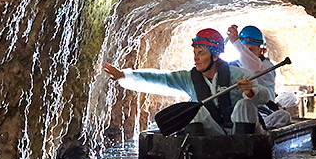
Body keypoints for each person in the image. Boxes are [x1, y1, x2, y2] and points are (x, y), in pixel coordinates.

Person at [103, 28, 269, 135]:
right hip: (214, 135)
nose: (196, 58)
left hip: (240, 133)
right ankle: (199, 154)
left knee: (244, 105)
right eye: (195, 53)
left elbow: (264, 96)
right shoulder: (189, 78)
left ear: (215, 56)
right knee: (194, 109)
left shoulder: (237, 74)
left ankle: (242, 155)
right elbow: (161, 79)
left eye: (201, 53)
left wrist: (249, 92)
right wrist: (125, 76)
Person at [227, 24, 292, 128]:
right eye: (245, 50)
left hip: (265, 112)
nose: (248, 53)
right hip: (240, 112)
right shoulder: (233, 65)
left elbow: (253, 68)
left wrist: (236, 42)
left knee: (284, 116)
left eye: (251, 50)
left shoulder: (266, 67)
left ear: (261, 50)